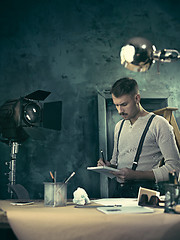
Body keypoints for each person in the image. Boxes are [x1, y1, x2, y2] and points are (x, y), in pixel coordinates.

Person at [98, 77, 180, 197]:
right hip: (120, 193)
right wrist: (108, 166)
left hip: (146, 194)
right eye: (116, 105)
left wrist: (136, 175)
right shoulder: (119, 126)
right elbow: (116, 162)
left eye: (124, 104)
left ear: (137, 98)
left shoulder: (158, 123)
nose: (120, 110)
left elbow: (174, 168)